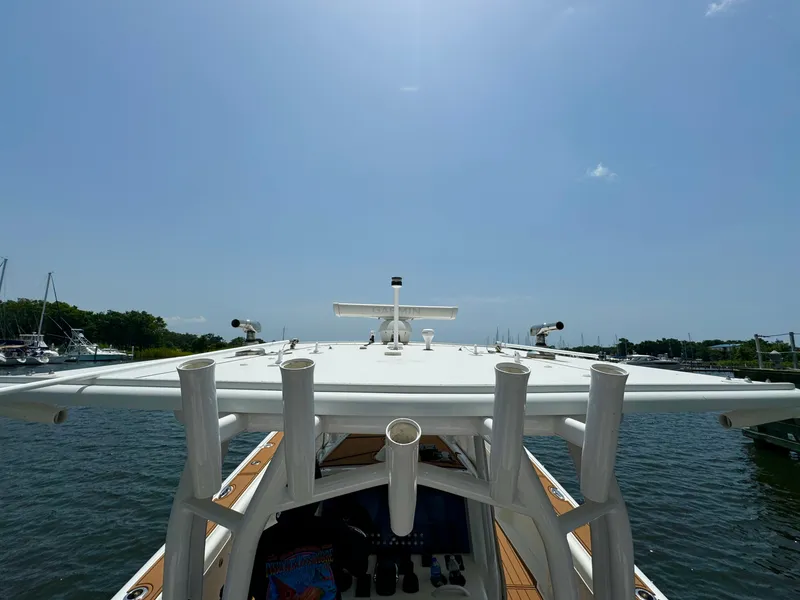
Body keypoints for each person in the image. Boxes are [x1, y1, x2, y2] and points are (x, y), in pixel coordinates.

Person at [248, 464, 369, 600]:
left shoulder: (259, 542)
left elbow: (234, 591)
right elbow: (360, 568)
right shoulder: (332, 530)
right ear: (316, 495)